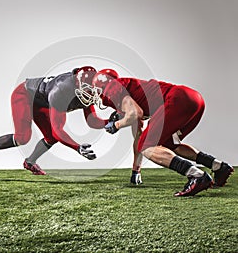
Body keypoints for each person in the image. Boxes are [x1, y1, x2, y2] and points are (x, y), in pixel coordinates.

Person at [92, 69, 234, 197]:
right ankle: (218, 166)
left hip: (176, 100)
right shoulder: (129, 89)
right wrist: (136, 170)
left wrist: (116, 125)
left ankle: (197, 176)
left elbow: (135, 113)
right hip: (194, 99)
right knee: (170, 144)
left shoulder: (113, 88)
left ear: (104, 85)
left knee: (147, 147)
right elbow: (139, 133)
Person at [0, 66, 107, 175]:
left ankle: (30, 162)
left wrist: (111, 122)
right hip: (25, 95)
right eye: (88, 90)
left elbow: (92, 121)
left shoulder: (85, 90)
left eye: (92, 90)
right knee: (23, 138)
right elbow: (57, 130)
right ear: (77, 86)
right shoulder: (61, 90)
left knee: (50, 138)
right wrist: (77, 147)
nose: (91, 94)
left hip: (42, 101)